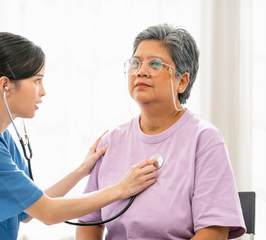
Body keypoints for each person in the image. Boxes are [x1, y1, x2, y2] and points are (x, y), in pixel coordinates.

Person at [0, 32, 157, 240]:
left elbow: (28, 211)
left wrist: (82, 170)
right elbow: (47, 212)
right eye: (37, 80)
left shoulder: (1, 138)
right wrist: (121, 189)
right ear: (5, 85)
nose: (43, 91)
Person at [76, 24, 246, 240]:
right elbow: (89, 222)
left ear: (182, 82)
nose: (141, 71)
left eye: (154, 64)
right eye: (135, 63)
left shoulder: (204, 139)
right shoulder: (111, 142)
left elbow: (214, 231)